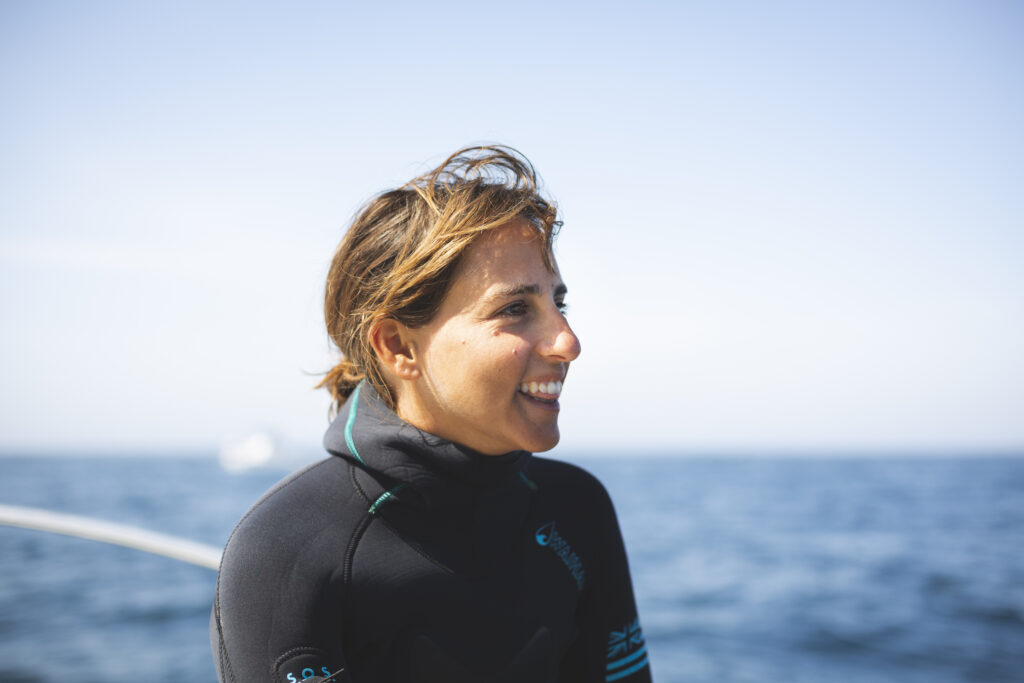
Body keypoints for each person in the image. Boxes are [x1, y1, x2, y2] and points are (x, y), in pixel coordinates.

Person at [210, 146, 652, 682]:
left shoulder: (577, 508)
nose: (567, 341)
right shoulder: (286, 553)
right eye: (516, 309)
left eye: (559, 304)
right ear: (397, 346)